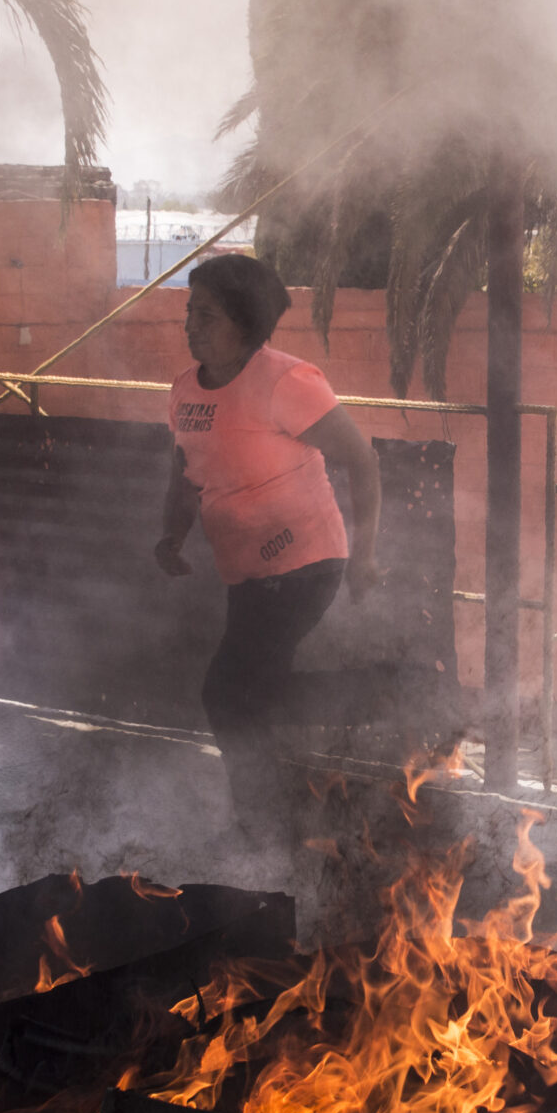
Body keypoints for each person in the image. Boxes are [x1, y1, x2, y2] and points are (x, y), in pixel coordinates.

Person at [154, 253, 392, 831]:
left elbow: (362, 461)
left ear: (245, 322)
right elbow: (185, 471)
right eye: (190, 312)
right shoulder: (186, 389)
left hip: (305, 559)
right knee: (256, 694)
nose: (191, 325)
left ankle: (260, 823)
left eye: (206, 315)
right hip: (246, 571)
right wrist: (173, 534)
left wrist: (364, 557)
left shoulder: (286, 382)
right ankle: (382, 697)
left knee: (227, 693)